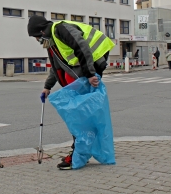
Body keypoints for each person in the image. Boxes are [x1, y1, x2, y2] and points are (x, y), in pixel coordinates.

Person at [27, 16, 115, 170]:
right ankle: (83, 149)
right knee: (81, 112)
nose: (37, 41)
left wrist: (90, 74)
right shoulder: (52, 42)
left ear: (41, 32)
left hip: (96, 57)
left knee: (79, 113)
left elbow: (82, 47)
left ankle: (79, 152)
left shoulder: (60, 29)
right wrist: (47, 86)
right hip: (87, 64)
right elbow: (57, 66)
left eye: (36, 38)